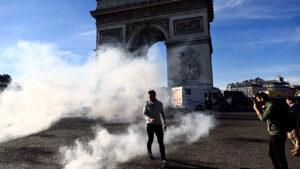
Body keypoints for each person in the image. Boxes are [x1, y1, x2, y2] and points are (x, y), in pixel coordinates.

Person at [253, 92, 288, 169]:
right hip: (278, 133)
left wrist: (256, 109)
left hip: (277, 133)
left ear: (262, 98)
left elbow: (263, 118)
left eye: (257, 99)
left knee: (278, 156)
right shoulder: (273, 103)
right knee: (273, 154)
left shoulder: (271, 105)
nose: (257, 101)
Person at [143, 90, 167, 167]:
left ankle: (164, 160)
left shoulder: (159, 103)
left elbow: (162, 114)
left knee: (161, 142)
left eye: (151, 95)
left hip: (158, 125)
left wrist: (164, 124)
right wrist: (150, 119)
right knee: (150, 139)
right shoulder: (146, 103)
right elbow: (144, 114)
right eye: (149, 96)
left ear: (155, 95)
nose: (150, 97)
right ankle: (149, 152)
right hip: (150, 125)